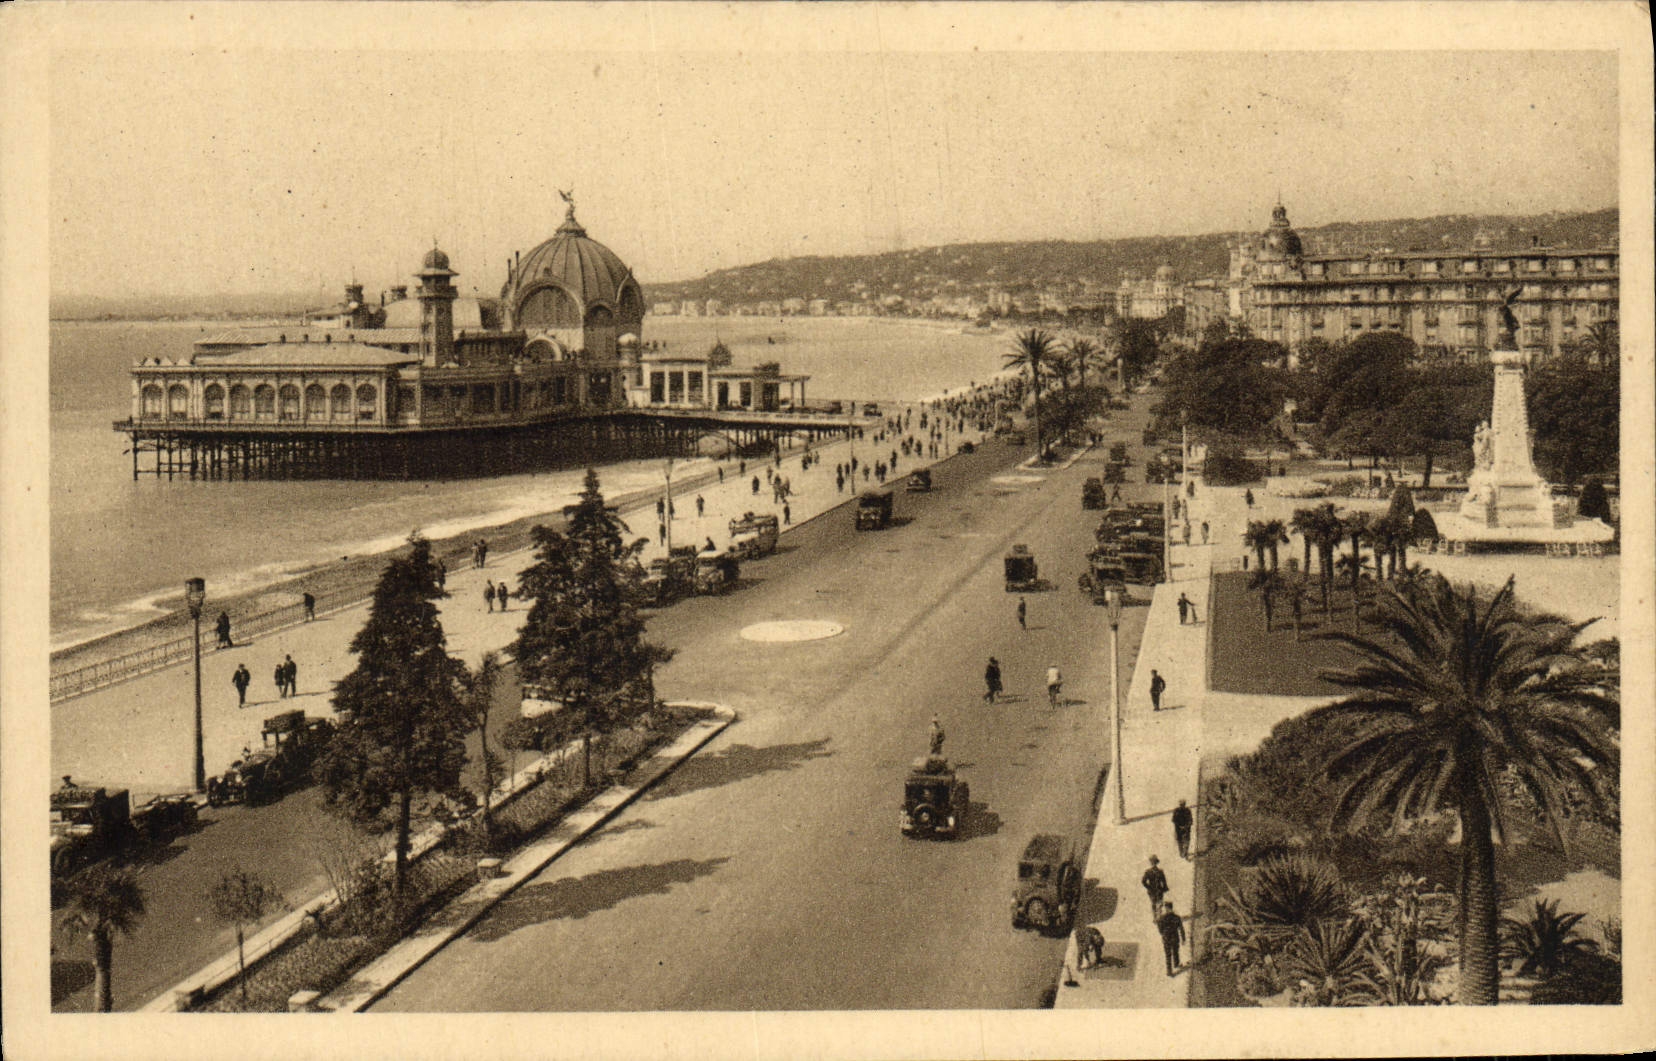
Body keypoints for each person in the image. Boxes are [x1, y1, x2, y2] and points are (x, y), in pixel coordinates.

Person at [1157, 901, 1187, 976]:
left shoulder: (1162, 918)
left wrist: (1163, 934)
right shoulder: (1177, 917)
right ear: (1172, 908)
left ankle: (1169, 971)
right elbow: (1181, 929)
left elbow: (1160, 930)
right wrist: (1183, 939)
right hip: (1175, 937)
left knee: (1168, 955)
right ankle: (1176, 964)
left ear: (1166, 908)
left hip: (1166, 938)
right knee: (1175, 951)